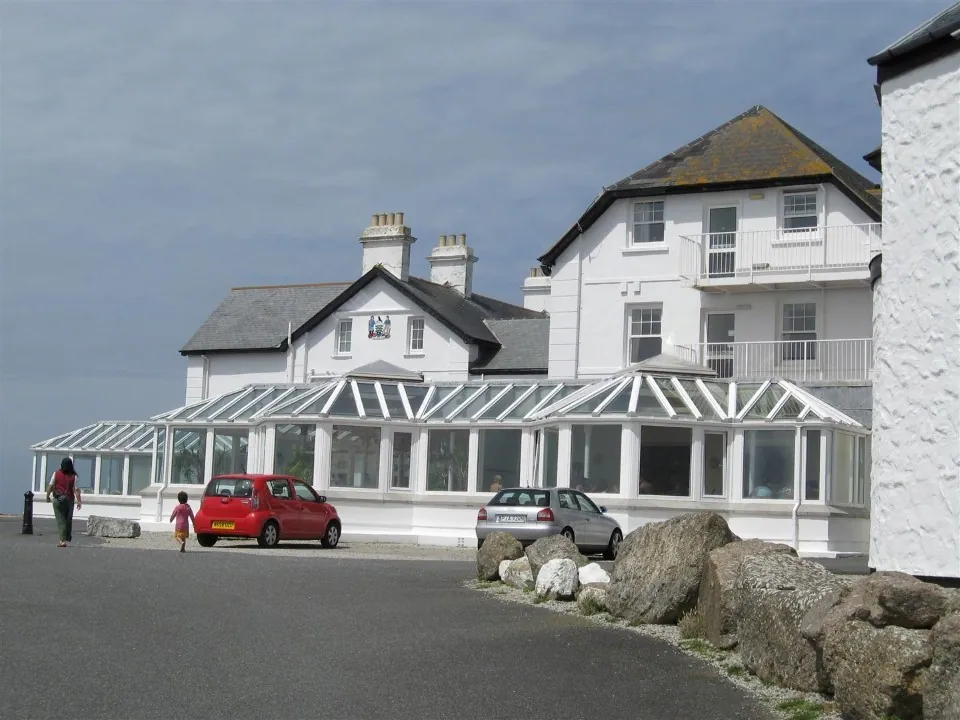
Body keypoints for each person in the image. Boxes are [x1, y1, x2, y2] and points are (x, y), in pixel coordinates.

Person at [46, 457, 82, 547]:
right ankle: (67, 537)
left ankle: (62, 540)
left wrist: (47, 496)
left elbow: (50, 486)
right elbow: (76, 490)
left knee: (60, 519)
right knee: (68, 520)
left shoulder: (56, 473)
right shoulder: (74, 476)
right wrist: (79, 501)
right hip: (69, 500)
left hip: (58, 499)